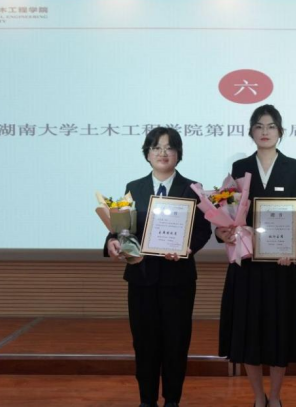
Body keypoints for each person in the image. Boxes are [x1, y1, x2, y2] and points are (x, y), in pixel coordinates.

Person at [104, 127, 212, 407]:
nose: (163, 153)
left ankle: (172, 400)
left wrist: (188, 249)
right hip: (141, 279)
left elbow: (203, 230)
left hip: (178, 280)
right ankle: (147, 401)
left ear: (178, 153)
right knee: (144, 343)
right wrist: (113, 242)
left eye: (169, 147)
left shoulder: (193, 188)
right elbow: (121, 228)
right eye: (156, 147)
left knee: (176, 343)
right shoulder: (134, 187)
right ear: (147, 153)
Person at [217, 104, 296, 407]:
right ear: (251, 131)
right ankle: (258, 397)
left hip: (281, 264)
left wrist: (289, 248)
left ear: (280, 131)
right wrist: (225, 232)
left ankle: (276, 397)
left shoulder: (293, 167)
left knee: (280, 333)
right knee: (248, 334)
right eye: (259, 126)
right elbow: (229, 213)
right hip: (247, 264)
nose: (265, 132)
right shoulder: (240, 167)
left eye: (271, 126)